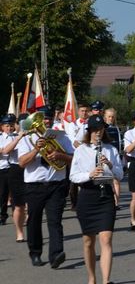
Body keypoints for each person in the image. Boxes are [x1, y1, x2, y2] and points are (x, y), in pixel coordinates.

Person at [18, 105, 74, 268]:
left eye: (49, 117)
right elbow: (22, 163)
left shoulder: (62, 137)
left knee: (55, 220)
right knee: (34, 220)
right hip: (34, 186)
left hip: (56, 185)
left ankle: (56, 254)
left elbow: (74, 158)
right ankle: (35, 253)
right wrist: (37, 149)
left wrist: (60, 155)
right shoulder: (28, 138)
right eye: (44, 118)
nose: (47, 121)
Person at [70, 114, 123, 284]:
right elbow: (73, 176)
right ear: (89, 131)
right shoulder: (81, 150)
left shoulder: (111, 150)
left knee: (106, 239)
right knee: (88, 241)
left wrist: (109, 165)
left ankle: (106, 281)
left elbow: (120, 175)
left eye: (101, 129)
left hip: (105, 195)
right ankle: (92, 278)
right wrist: (89, 174)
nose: (98, 133)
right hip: (87, 195)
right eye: (95, 130)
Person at [1, 113, 27, 241]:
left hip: (27, 169)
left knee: (29, 201)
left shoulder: (22, 135)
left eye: (12, 125)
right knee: (16, 203)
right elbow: (5, 151)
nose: (10, 128)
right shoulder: (7, 137)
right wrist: (18, 139)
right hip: (12, 169)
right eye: (7, 125)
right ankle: (18, 231)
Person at [104, 108, 122, 210]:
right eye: (109, 116)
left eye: (112, 117)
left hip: (115, 156)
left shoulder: (116, 129)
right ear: (105, 117)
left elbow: (119, 143)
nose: (111, 118)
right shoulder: (103, 128)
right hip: (105, 155)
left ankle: (116, 202)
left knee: (116, 180)